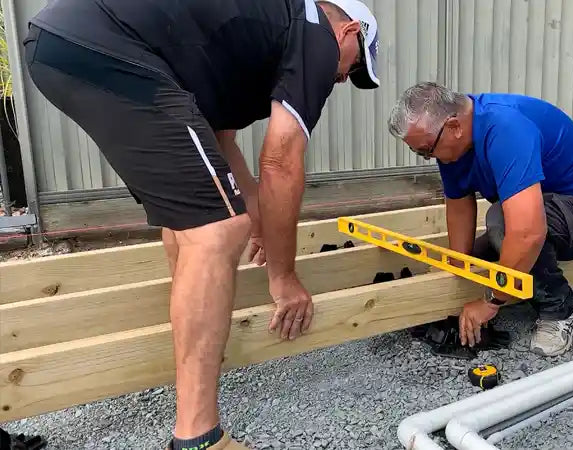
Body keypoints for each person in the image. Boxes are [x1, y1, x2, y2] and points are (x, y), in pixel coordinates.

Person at [23, 0, 380, 448]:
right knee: (215, 230)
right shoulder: (314, 33)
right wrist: (284, 277)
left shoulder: (253, 42)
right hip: (103, 44)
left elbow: (217, 144)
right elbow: (281, 158)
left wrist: (259, 223)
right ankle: (197, 437)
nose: (342, 77)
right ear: (347, 32)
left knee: (195, 221)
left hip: (65, 44)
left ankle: (198, 346)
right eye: (353, 66)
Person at [387, 82, 573, 358]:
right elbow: (459, 206)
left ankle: (560, 311)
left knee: (502, 223)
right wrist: (457, 274)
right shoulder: (453, 142)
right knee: (482, 255)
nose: (428, 157)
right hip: (549, 209)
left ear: (453, 127)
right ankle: (518, 284)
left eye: (427, 150)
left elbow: (528, 232)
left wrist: (491, 301)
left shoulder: (505, 128)